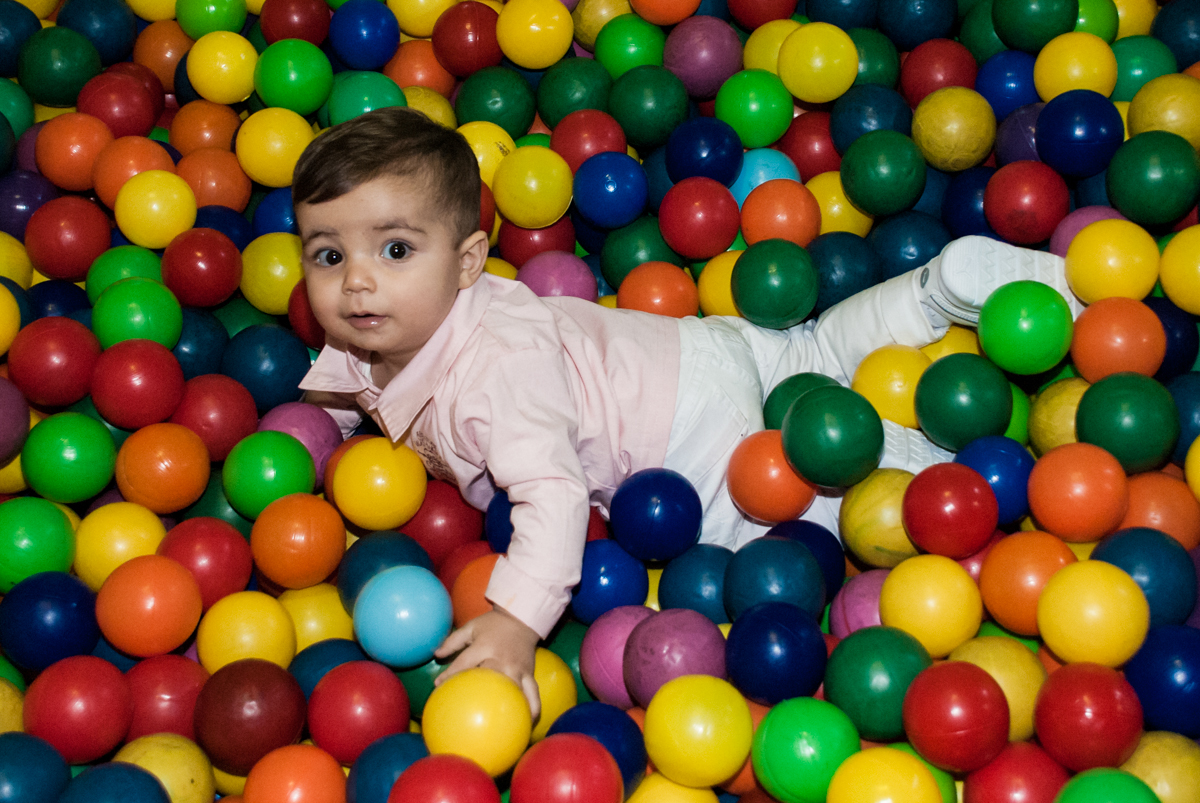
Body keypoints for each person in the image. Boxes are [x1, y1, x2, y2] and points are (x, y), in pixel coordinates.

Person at [296, 107, 1082, 717]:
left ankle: (912, 471)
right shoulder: (379, 333)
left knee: (806, 485)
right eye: (329, 255)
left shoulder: (494, 379)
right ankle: (935, 289)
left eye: (395, 250)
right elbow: (350, 373)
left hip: (690, 443)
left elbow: (554, 494)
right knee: (809, 355)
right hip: (698, 347)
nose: (357, 283)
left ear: (468, 261)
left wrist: (514, 620)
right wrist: (321, 423)